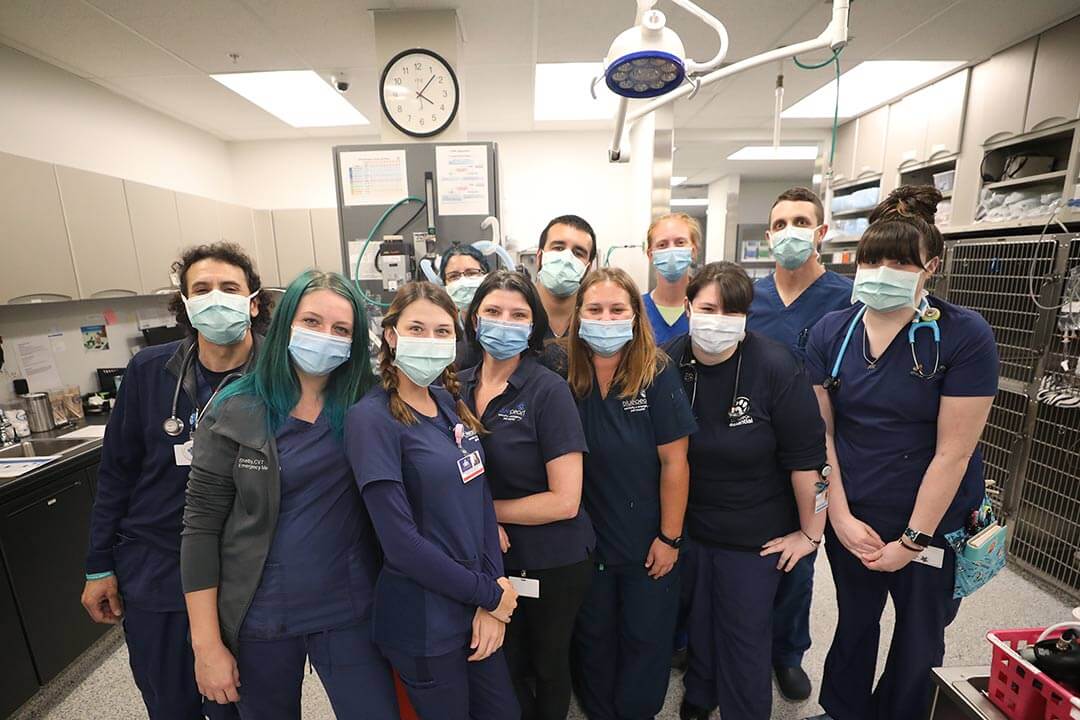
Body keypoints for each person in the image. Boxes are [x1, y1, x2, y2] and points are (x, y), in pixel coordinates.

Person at [802, 186, 998, 720]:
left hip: (933, 518)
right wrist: (837, 515)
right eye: (871, 259)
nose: (880, 271)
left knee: (919, 632)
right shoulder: (831, 332)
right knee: (854, 621)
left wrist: (913, 540)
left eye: (898, 262)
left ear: (929, 266)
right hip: (855, 511)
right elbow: (820, 436)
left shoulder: (963, 336)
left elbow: (953, 454)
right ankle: (844, 711)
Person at [180, 270, 396, 718]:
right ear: (285, 326)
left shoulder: (366, 407)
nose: (325, 337)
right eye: (312, 322)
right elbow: (199, 529)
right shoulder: (235, 409)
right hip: (262, 614)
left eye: (341, 330)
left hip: (349, 610)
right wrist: (206, 645)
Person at [81, 242, 270, 720]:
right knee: (171, 703)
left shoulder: (278, 376)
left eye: (229, 288)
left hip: (242, 571)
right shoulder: (150, 371)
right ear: (185, 304)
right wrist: (98, 564)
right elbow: (116, 473)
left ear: (253, 301)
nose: (215, 298)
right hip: (156, 567)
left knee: (241, 702)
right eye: (201, 289)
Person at [345, 281, 521, 720]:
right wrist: (487, 593)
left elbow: (480, 499)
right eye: (417, 328)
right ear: (391, 335)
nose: (431, 341)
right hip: (425, 622)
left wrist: (491, 598)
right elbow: (401, 545)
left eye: (443, 332)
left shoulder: (448, 403)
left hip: (475, 601)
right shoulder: (371, 420)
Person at [664, 262, 827, 720]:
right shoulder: (668, 361)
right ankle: (700, 694)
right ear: (688, 306)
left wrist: (811, 534)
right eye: (709, 308)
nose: (718, 320)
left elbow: (809, 461)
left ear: (746, 317)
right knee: (700, 622)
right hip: (691, 528)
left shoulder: (774, 366)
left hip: (757, 535)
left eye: (732, 311)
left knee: (743, 637)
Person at [458, 271, 595, 720]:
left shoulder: (547, 392)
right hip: (484, 557)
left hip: (550, 559)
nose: (504, 322)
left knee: (548, 663)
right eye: (493, 312)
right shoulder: (452, 388)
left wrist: (485, 514)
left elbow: (565, 500)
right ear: (474, 320)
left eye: (518, 314)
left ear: (532, 326)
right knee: (502, 663)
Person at [568, 267, 697, 720]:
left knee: (646, 635)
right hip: (584, 541)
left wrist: (670, 538)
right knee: (594, 634)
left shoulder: (656, 372)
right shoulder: (563, 373)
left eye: (617, 309)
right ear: (579, 315)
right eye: (595, 309)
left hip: (648, 538)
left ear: (635, 314)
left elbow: (675, 463)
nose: (606, 319)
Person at [747, 186, 853, 700]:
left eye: (801, 221)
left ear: (821, 232)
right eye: (781, 223)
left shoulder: (848, 298)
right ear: (769, 236)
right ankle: (734, 645)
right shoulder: (751, 298)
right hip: (752, 444)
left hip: (816, 449)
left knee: (801, 554)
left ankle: (787, 653)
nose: (790, 231)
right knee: (750, 553)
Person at [535, 215, 597, 339]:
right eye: (558, 248)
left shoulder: (594, 323)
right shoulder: (516, 315)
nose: (567, 259)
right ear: (539, 257)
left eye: (578, 253)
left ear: (588, 269)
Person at [643, 213, 701, 345]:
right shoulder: (638, 309)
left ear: (693, 251)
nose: (671, 251)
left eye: (680, 243)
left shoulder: (706, 310)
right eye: (662, 245)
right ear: (650, 255)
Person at [441, 244, 492, 371]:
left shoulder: (501, 320)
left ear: (486, 276)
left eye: (472, 273)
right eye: (454, 276)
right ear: (444, 284)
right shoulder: (443, 328)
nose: (463, 281)